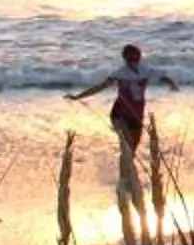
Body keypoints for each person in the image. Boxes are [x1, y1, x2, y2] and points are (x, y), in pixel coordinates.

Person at [66, 43, 178, 202]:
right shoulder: (120, 73)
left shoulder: (145, 71)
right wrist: (78, 97)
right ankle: (124, 181)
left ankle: (126, 177)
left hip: (136, 116)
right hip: (119, 115)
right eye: (130, 57)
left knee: (131, 151)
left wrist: (171, 83)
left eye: (136, 56)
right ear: (125, 59)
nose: (133, 60)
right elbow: (100, 87)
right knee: (126, 145)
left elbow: (163, 76)